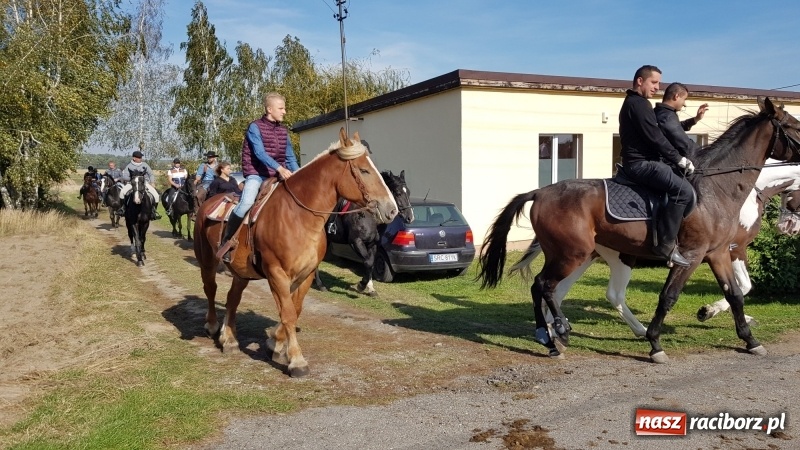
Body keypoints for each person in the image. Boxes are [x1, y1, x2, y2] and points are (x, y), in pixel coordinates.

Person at [618, 65, 694, 267]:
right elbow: (655, 137)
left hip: (645, 162)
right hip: (641, 164)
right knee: (683, 191)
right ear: (640, 81)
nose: (657, 88)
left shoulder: (637, 103)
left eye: (659, 83)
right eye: (654, 82)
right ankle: (666, 246)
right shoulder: (639, 104)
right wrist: (679, 159)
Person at [219, 92, 299, 262]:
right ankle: (226, 241)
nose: (285, 111)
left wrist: (299, 176)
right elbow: (260, 153)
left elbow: (290, 157)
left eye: (284, 108)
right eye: (281, 108)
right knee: (246, 203)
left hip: (277, 175)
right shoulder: (254, 127)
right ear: (270, 109)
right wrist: (280, 168)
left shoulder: (284, 131)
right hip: (256, 174)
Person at [654, 82, 709, 160]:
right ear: (676, 96)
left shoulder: (661, 112)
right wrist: (707, 154)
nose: (684, 104)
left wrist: (696, 118)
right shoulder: (667, 117)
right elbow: (686, 145)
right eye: (684, 99)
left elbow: (677, 127)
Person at [117, 149, 161, 220]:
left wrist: (152, 182)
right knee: (122, 192)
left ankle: (153, 211)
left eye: (141, 157)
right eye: (139, 157)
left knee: (156, 195)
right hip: (132, 183)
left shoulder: (145, 165)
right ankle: (123, 209)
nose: (141, 159)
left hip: (144, 183)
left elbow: (151, 174)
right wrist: (134, 180)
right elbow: (125, 176)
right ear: (134, 158)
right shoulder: (129, 166)